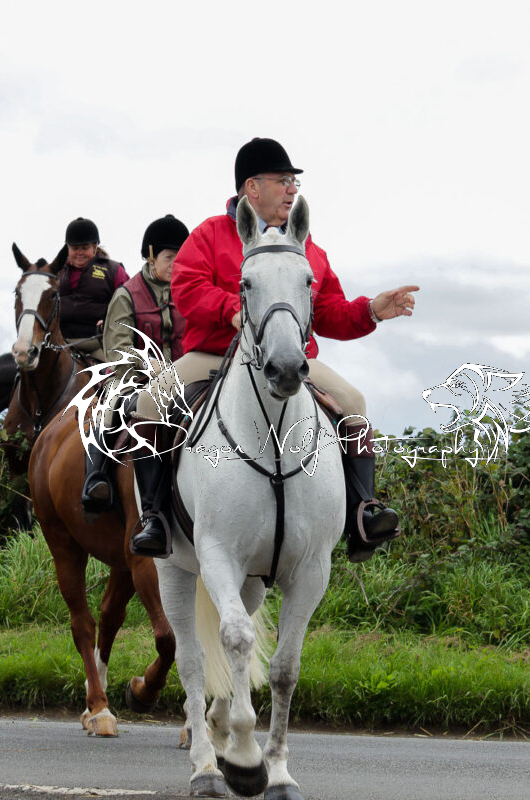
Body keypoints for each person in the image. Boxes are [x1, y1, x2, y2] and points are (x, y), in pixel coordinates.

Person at [129, 137, 419, 561]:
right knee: (149, 402)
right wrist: (232, 311)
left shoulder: (307, 247)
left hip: (286, 357)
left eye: (294, 182)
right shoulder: (209, 235)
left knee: (354, 402)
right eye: (283, 180)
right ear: (252, 187)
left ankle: (363, 511)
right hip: (213, 355)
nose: (292, 189)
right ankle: (154, 516)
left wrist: (371, 310)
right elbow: (187, 288)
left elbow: (328, 311)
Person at [80, 214, 190, 513]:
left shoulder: (189, 290)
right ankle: (96, 478)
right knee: (108, 408)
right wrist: (150, 367)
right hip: (135, 377)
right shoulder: (126, 295)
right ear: (151, 257)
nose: (176, 264)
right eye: (169, 257)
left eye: (181, 257)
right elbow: (118, 352)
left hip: (185, 375)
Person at [59, 217, 129, 361]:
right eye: (75, 248)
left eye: (85, 248)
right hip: (61, 342)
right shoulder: (56, 272)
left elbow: (128, 303)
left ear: (95, 246)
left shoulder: (113, 270)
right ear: (67, 248)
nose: (79, 253)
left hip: (97, 341)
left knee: (118, 369)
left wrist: (109, 320)